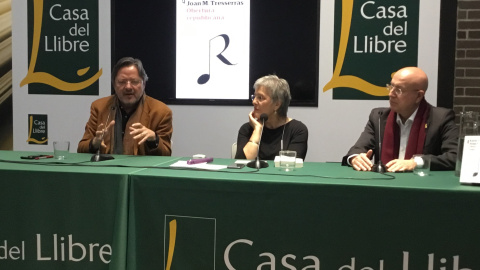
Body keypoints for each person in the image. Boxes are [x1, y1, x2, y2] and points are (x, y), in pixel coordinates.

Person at [342, 67, 458, 172]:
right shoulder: (379, 116)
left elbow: (455, 156)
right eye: (391, 87)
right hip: (383, 185)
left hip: (423, 188)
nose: (391, 94)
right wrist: (355, 158)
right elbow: (358, 149)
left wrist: (416, 163)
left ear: (418, 96)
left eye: (399, 90)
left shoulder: (441, 118)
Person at [77, 57, 172, 156]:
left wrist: (154, 139)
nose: (128, 87)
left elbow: (166, 154)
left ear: (144, 83)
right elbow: (81, 148)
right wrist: (94, 143)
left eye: (134, 82)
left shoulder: (161, 112)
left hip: (141, 170)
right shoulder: (99, 107)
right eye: (122, 82)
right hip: (106, 169)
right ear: (114, 84)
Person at [235, 75, 308, 160]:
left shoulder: (297, 130)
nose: (254, 101)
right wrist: (257, 129)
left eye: (260, 98)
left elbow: (291, 166)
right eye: (254, 96)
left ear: (277, 104)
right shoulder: (247, 129)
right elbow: (241, 164)